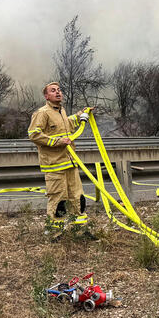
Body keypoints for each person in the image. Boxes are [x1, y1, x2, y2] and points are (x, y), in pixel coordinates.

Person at [27, 82, 91, 227]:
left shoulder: (61, 111)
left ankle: (80, 230)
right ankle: (56, 232)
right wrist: (57, 141)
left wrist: (82, 113)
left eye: (59, 90)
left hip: (70, 162)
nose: (58, 92)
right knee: (58, 200)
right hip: (55, 165)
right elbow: (34, 134)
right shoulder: (42, 113)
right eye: (53, 90)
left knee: (77, 197)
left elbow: (68, 124)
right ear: (46, 96)